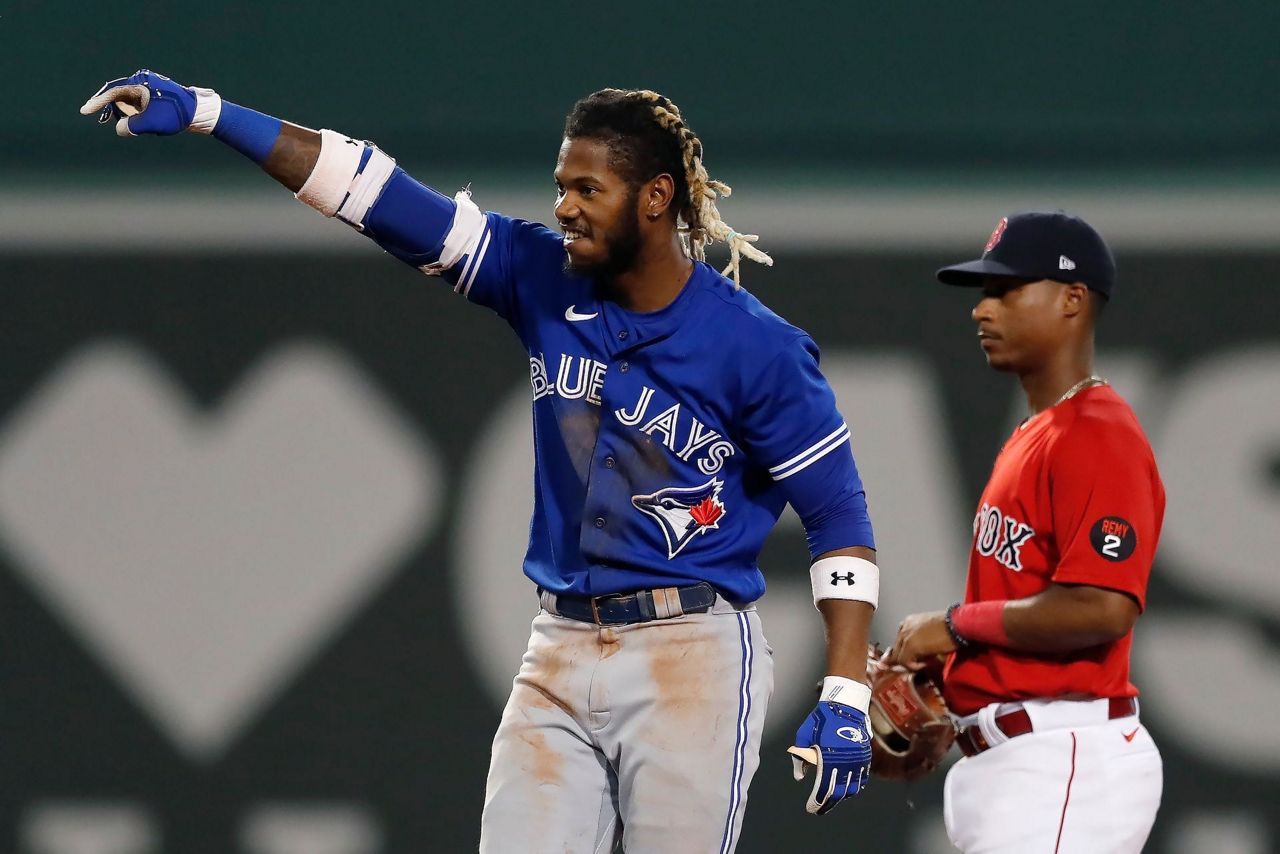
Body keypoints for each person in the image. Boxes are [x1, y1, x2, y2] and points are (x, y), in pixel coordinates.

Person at [81, 70, 883, 852]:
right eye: (561, 185)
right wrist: (214, 115)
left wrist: (844, 690)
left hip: (692, 654)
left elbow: (837, 517)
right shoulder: (539, 272)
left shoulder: (759, 347)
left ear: (656, 197)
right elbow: (375, 194)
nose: (564, 206)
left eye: (587, 189)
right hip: (560, 645)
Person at [882, 211, 1164, 853]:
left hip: (1064, 759)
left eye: (1008, 290)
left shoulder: (1097, 435)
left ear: (1073, 299)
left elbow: (1104, 606)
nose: (984, 310)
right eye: (985, 293)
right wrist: (948, 676)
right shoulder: (1040, 433)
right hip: (1017, 760)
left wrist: (955, 626)